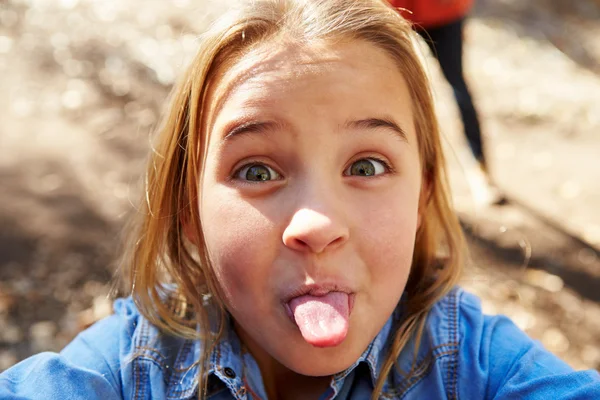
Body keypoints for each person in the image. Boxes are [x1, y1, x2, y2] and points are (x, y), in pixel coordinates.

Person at [1, 1, 598, 399]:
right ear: (189, 209)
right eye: (256, 169)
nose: (317, 224)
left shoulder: (475, 365)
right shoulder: (125, 372)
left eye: (366, 165)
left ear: (421, 194)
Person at [389, 0, 505, 205]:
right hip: (392, 12)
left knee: (457, 88)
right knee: (393, 91)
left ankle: (480, 172)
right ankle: (402, 175)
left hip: (443, 11)